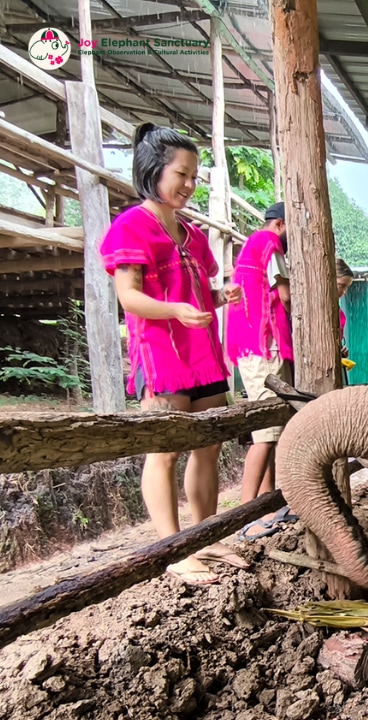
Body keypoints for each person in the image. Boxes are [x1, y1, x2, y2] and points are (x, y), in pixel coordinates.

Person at [100, 123, 249, 585]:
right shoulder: (131, 225)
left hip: (203, 353)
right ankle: (172, 549)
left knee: (208, 447)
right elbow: (129, 297)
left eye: (193, 176)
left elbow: (198, 288)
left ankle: (206, 537)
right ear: (152, 171)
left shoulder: (192, 233)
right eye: (180, 174)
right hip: (161, 355)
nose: (188, 184)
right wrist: (174, 311)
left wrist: (219, 297)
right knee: (164, 453)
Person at [227, 202, 296, 540]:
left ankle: (265, 508)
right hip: (264, 344)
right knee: (265, 433)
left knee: (270, 431)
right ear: (281, 224)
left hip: (255, 343)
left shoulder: (252, 247)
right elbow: (284, 297)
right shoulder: (268, 245)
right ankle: (246, 512)